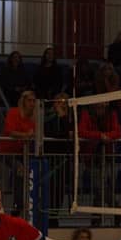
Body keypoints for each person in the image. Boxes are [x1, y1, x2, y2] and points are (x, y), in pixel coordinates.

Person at [79, 102, 121, 226]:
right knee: (99, 186)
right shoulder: (86, 113)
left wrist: (106, 136)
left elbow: (118, 132)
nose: (102, 106)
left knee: (99, 187)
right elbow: (81, 132)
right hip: (91, 156)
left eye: (104, 105)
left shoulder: (111, 114)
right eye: (99, 105)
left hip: (106, 156)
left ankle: (96, 218)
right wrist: (99, 136)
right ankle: (115, 207)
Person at [0, 90, 37, 218]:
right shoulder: (14, 112)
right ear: (24, 101)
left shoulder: (33, 117)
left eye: (33, 101)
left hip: (22, 152)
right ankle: (17, 205)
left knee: (26, 171)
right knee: (20, 169)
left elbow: (34, 133)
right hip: (7, 151)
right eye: (29, 100)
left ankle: (22, 205)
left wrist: (30, 136)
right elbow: (10, 131)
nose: (32, 103)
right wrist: (26, 135)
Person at [44, 92, 74, 225]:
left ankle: (54, 217)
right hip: (50, 158)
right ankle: (47, 217)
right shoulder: (48, 117)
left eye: (64, 102)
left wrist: (63, 117)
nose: (61, 105)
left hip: (63, 159)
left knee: (59, 190)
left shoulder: (71, 118)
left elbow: (69, 134)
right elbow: (49, 134)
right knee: (49, 189)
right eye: (58, 102)